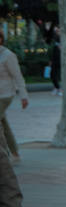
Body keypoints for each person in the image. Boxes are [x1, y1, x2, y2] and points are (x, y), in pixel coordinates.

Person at [0, 32, 28, 160]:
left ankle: (4, 153)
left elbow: (18, 77)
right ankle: (14, 152)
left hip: (5, 95)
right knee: (3, 123)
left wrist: (24, 96)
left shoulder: (8, 55)